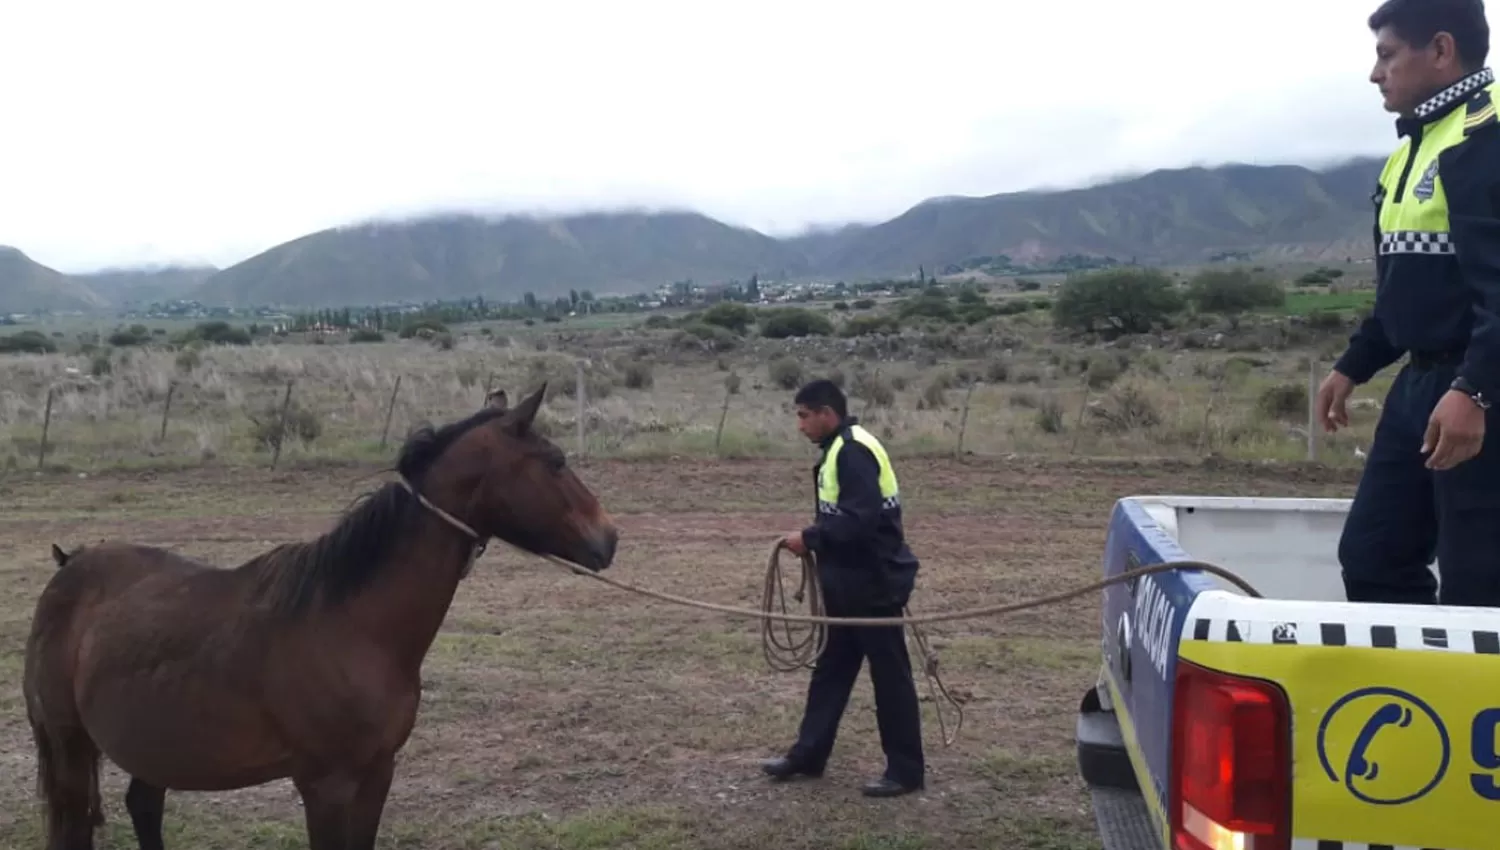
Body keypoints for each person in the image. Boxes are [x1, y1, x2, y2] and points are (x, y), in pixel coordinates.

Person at [1318, 0, 1500, 606]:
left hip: (1479, 391)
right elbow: (1406, 287)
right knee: (1374, 556)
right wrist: (1353, 364)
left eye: (1387, 54)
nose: (1376, 74)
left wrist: (1475, 391)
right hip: (1420, 387)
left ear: (1442, 50)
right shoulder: (1409, 152)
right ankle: (1420, 697)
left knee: (1480, 584)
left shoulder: (1487, 137)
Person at [760, 379, 925, 797]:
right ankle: (809, 755)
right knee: (830, 671)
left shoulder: (852, 451)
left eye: (803, 416)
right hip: (847, 583)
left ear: (826, 414)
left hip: (873, 584)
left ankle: (906, 771)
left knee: (890, 678)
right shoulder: (839, 449)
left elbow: (860, 520)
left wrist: (810, 538)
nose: (800, 426)